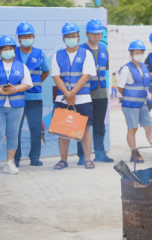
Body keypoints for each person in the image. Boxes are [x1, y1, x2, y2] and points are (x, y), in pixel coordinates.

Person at [51, 22, 97, 170]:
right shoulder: (57, 55)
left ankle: (88, 159)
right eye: (68, 37)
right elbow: (56, 77)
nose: (71, 38)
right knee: (63, 130)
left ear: (78, 37)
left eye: (74, 36)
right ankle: (63, 160)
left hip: (82, 98)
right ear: (63, 38)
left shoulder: (86, 53)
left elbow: (86, 75)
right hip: (62, 99)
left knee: (85, 129)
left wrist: (72, 93)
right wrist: (67, 94)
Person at [118, 40, 152, 162]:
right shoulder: (126, 69)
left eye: (141, 52)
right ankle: (134, 153)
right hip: (130, 105)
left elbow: (149, 77)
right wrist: (130, 97)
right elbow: (120, 87)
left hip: (143, 104)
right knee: (132, 128)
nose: (139, 54)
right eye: (136, 52)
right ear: (131, 53)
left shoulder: (144, 67)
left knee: (149, 127)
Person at [13, 22, 49, 167]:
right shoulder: (12, 52)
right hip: (16, 98)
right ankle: (15, 158)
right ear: (19, 38)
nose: (27, 38)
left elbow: (45, 71)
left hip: (34, 98)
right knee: (15, 130)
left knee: (36, 128)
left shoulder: (40, 53)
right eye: (23, 36)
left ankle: (35, 157)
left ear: (33, 36)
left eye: (29, 35)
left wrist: (34, 83)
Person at [77, 19, 112, 164]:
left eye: (99, 33)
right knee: (82, 126)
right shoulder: (80, 50)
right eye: (93, 33)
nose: (96, 36)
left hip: (101, 94)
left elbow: (106, 69)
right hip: (84, 94)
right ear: (87, 34)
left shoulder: (104, 49)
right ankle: (82, 156)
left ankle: (100, 153)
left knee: (99, 125)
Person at [0, 36, 33, 174]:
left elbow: (28, 83)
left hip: (17, 106)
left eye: (10, 48)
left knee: (13, 134)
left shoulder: (21, 65)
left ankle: (9, 163)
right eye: (5, 49)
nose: (8, 51)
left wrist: (15, 89)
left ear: (14, 50)